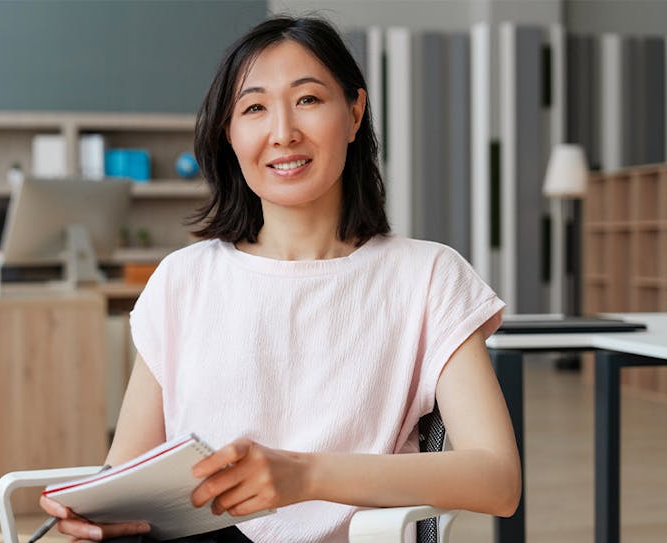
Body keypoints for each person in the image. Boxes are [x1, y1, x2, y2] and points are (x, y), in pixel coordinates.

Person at [41, 15, 520, 543]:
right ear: (229, 134)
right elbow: (126, 478)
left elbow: (497, 479)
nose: (283, 132)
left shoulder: (428, 276)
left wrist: (304, 476)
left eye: (308, 100)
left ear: (355, 112)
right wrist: (94, 510)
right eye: (253, 108)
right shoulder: (182, 279)